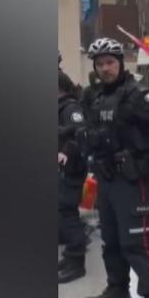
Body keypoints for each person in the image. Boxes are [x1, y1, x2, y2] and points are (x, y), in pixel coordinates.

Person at [78, 37, 149, 298]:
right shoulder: (93, 97)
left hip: (132, 182)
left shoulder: (138, 96)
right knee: (110, 239)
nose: (105, 68)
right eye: (99, 64)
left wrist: (146, 163)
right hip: (106, 180)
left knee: (138, 245)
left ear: (121, 63)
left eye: (110, 62)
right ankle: (117, 288)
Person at [58, 69, 89, 283]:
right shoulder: (60, 107)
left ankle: (77, 262)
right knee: (62, 211)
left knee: (67, 213)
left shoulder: (71, 108)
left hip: (72, 167)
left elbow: (79, 133)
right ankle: (70, 256)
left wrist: (65, 152)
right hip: (63, 168)